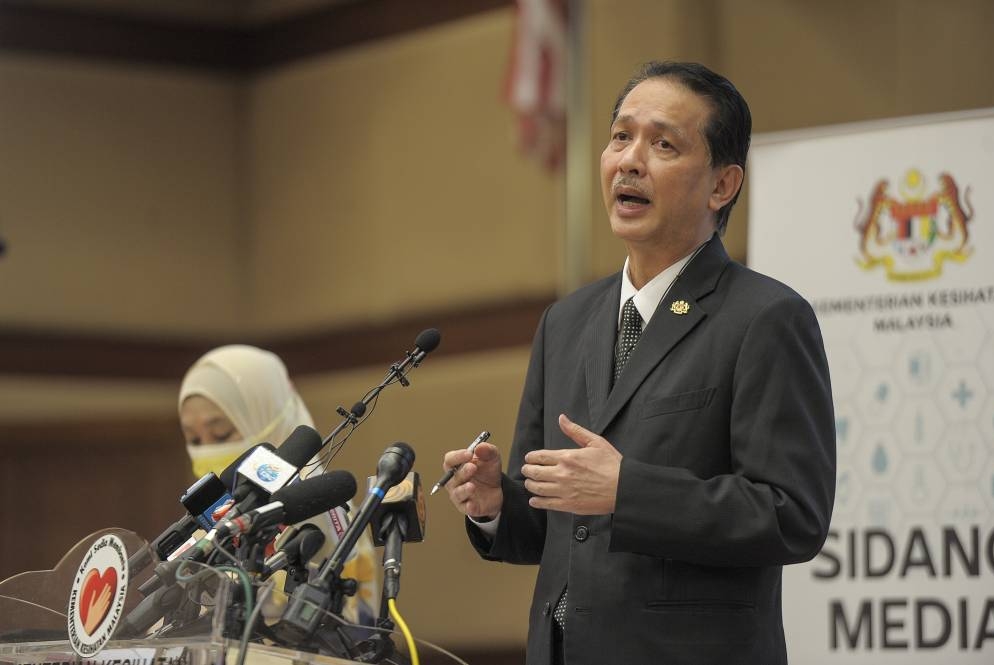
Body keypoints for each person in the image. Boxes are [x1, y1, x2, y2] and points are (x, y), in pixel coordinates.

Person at [440, 61, 836, 665]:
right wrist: (496, 504)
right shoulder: (565, 322)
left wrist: (629, 490)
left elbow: (792, 516)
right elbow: (551, 527)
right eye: (621, 136)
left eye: (663, 144)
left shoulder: (765, 317)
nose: (629, 160)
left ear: (722, 185)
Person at [178, 344, 377, 628]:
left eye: (222, 433)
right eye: (194, 440)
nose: (207, 449)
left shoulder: (320, 506)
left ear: (271, 416)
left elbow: (351, 623)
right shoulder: (213, 518)